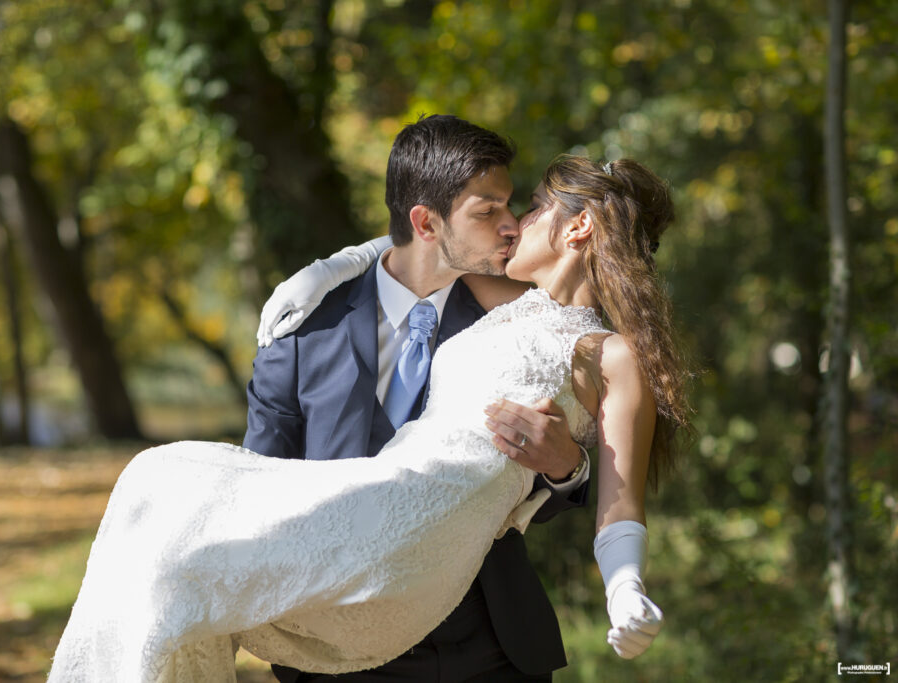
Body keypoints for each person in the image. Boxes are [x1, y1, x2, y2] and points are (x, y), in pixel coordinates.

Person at [47, 150, 687, 683]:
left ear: (578, 227)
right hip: (383, 496)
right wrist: (331, 268)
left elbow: (621, 500)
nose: (516, 223)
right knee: (157, 492)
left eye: (536, 208)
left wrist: (623, 584)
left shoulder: (611, 354)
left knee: (167, 511)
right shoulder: (502, 299)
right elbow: (425, 242)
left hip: (441, 567)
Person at [244, 114, 590, 683]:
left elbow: (528, 495)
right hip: (338, 652)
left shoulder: (521, 323)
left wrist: (566, 469)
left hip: (492, 647)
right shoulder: (303, 330)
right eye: (488, 211)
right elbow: (257, 486)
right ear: (425, 221)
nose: (511, 226)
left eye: (509, 205)